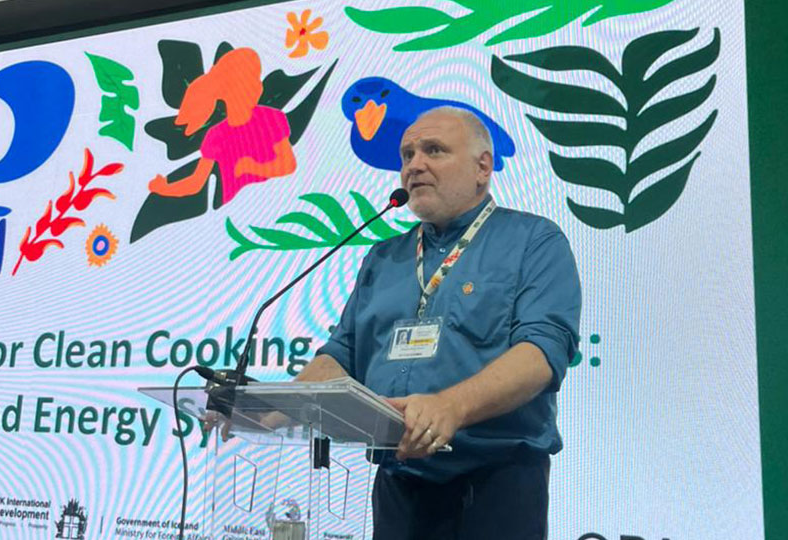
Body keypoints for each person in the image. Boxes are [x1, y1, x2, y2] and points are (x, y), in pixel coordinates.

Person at [296, 106, 582, 539]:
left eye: (434, 150)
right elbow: (342, 356)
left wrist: (451, 406)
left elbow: (542, 353)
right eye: (407, 154)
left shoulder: (533, 242)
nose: (415, 165)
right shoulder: (383, 257)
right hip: (399, 489)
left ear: (482, 167)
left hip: (495, 486)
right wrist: (272, 408)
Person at [148, 47, 296, 207]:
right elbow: (196, 183)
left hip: (275, 203)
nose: (257, 86)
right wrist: (164, 188)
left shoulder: (271, 118)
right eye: (247, 82)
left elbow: (288, 164)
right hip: (233, 213)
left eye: (256, 79)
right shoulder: (215, 135)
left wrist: (251, 167)